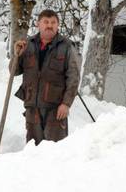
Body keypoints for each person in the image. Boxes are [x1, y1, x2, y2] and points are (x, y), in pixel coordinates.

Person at [11, 9, 80, 145]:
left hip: (55, 110)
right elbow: (14, 72)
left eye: (53, 22)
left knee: (55, 152)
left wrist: (66, 104)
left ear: (58, 25)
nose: (49, 25)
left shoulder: (66, 46)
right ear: (38, 24)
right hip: (32, 109)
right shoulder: (27, 44)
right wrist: (16, 55)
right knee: (33, 152)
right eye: (46, 22)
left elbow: (73, 77)